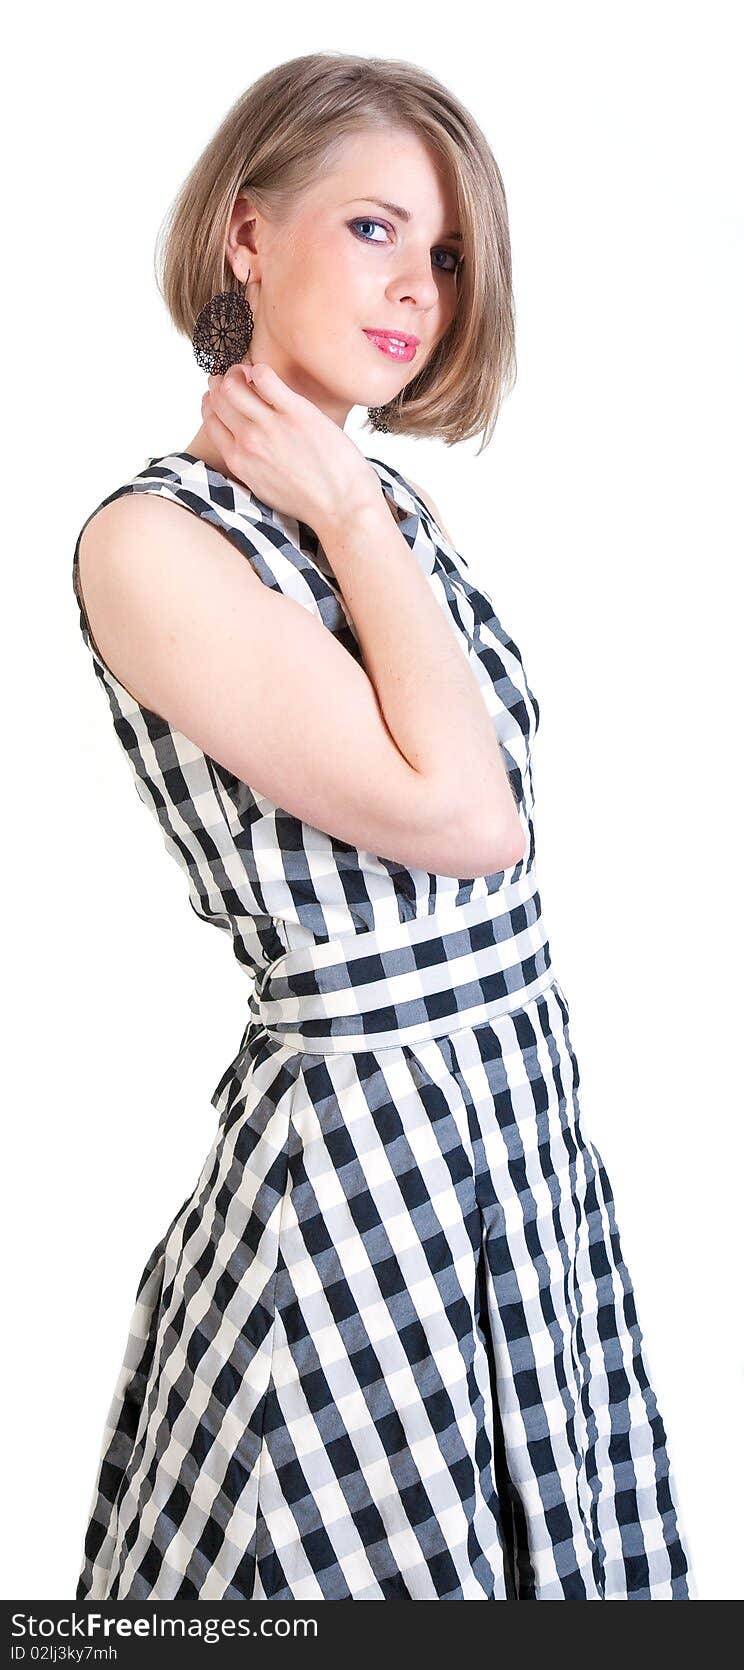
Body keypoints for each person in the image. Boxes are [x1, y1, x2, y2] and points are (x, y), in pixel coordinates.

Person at [71, 51, 692, 1601]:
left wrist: (358, 506)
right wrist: (348, 510)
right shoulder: (153, 543)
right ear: (245, 234)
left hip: (514, 1139)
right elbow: (467, 819)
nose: (419, 286)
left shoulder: (388, 513)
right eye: (372, 228)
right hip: (361, 1171)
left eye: (448, 252)